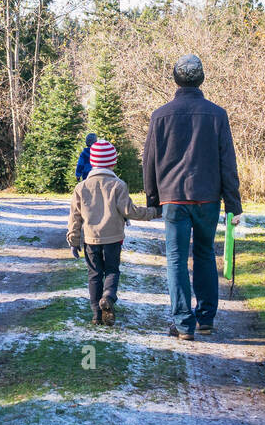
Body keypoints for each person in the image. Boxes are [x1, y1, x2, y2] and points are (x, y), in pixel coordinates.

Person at [141, 54, 242, 341]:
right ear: (202, 79)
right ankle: (206, 318)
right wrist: (233, 204)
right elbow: (227, 162)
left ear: (175, 78)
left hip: (173, 198)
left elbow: (149, 161)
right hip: (207, 197)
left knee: (175, 259)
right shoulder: (217, 115)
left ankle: (184, 324)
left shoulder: (160, 116)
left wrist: (153, 199)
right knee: (205, 253)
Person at [67, 140, 158, 326]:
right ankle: (108, 296)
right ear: (113, 163)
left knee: (94, 274)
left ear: (92, 162)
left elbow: (75, 217)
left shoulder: (81, 187)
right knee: (112, 270)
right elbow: (129, 211)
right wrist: (154, 212)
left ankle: (96, 315)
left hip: (91, 239)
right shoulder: (118, 185)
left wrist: (74, 241)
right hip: (114, 238)